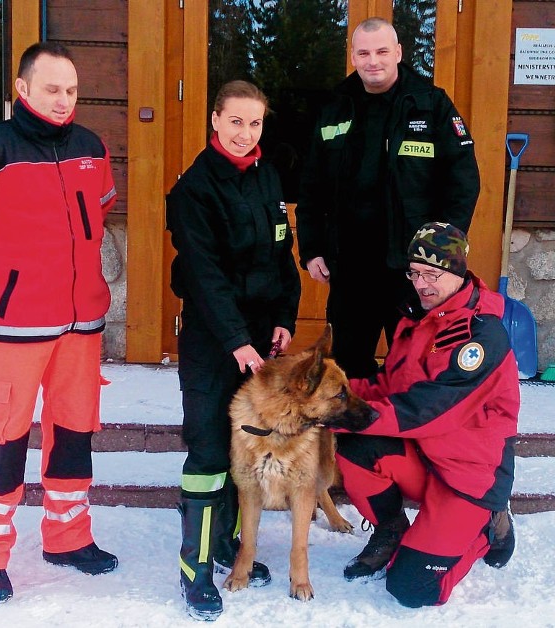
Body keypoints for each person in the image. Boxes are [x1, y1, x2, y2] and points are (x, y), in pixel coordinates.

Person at [0, 42, 119, 605]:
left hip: (80, 324)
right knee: (3, 443)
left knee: (73, 437)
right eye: (51, 89)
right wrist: (6, 282)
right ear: (23, 90)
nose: (63, 100)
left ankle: (67, 538)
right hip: (15, 328)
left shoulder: (91, 147)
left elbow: (98, 216)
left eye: (71, 90)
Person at [328, 222, 519, 607]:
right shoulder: (416, 319)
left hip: (469, 476)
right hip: (425, 459)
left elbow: (429, 409)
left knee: (412, 589)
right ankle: (392, 529)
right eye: (415, 273)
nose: (422, 283)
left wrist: (345, 415)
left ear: (458, 271)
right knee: (355, 448)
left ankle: (487, 526)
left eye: (433, 273)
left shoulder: (482, 334)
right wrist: (330, 397)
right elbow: (389, 385)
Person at [166, 80, 301, 621]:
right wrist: (235, 341)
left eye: (256, 123)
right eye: (236, 122)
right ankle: (196, 569)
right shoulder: (193, 189)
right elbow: (204, 274)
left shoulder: (268, 175)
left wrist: (285, 321)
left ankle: (227, 543)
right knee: (205, 448)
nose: (246, 134)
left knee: (240, 447)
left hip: (260, 337)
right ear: (215, 121)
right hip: (212, 338)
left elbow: (281, 255)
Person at [296, 17, 480, 378]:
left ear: (398, 52)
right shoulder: (336, 106)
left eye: (382, 51)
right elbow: (311, 185)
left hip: (412, 267)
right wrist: (312, 246)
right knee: (347, 363)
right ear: (352, 56)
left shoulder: (430, 105)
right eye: (363, 53)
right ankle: (355, 434)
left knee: (415, 361)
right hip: (349, 264)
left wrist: (442, 254)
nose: (373, 61)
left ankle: (407, 434)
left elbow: (463, 182)